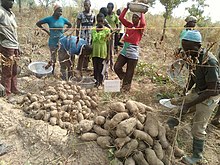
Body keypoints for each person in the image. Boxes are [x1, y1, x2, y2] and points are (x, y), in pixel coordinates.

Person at [178, 30, 220, 164]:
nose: (186, 52)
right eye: (184, 48)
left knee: (198, 127)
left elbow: (212, 89)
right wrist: (186, 89)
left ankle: (197, 156)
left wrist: (190, 104)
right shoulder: (193, 56)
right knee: (179, 108)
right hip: (200, 90)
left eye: (189, 48)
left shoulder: (210, 61)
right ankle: (169, 128)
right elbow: (193, 75)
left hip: (210, 96)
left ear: (199, 45)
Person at [114, 3, 146, 92]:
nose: (134, 19)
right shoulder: (129, 25)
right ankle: (124, 78)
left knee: (130, 71)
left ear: (139, 19)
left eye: (136, 17)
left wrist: (142, 12)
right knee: (117, 67)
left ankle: (125, 89)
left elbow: (143, 23)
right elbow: (121, 18)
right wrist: (126, 8)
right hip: (125, 49)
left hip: (133, 52)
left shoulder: (140, 28)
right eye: (133, 17)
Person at [36, 3, 72, 74]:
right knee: (53, 59)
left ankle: (62, 73)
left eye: (61, 11)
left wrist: (64, 31)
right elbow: (38, 23)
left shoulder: (63, 19)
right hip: (52, 41)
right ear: (55, 11)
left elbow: (70, 25)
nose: (60, 13)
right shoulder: (49, 19)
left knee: (62, 58)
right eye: (59, 11)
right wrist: (47, 31)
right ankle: (51, 73)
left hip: (61, 41)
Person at [0, 0, 22, 96]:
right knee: (7, 70)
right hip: (6, 45)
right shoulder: (1, 12)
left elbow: (14, 32)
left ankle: (14, 89)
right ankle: (7, 93)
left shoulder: (11, 14)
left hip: (14, 45)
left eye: (13, 0)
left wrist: (18, 45)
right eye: (10, 0)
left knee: (14, 69)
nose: (12, 2)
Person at [91, 13, 111, 87]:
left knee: (101, 67)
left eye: (101, 18)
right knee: (95, 67)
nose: (100, 20)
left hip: (102, 51)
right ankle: (96, 81)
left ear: (104, 20)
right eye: (98, 18)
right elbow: (91, 41)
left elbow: (109, 44)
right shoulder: (93, 29)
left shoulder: (107, 30)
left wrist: (108, 55)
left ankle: (100, 82)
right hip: (94, 51)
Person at [76, 0, 95, 71]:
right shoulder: (80, 14)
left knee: (89, 49)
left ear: (90, 5)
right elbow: (78, 27)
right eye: (85, 5)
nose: (86, 7)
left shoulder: (93, 14)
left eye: (87, 5)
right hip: (83, 35)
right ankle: (80, 67)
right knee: (82, 49)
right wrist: (77, 37)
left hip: (90, 34)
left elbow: (94, 25)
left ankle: (86, 66)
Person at [106, 2, 119, 67]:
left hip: (112, 34)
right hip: (105, 35)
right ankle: (106, 64)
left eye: (109, 7)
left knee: (111, 50)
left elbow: (117, 25)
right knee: (105, 50)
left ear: (112, 8)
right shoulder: (105, 15)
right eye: (107, 7)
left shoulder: (115, 16)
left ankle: (111, 64)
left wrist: (117, 33)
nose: (108, 9)